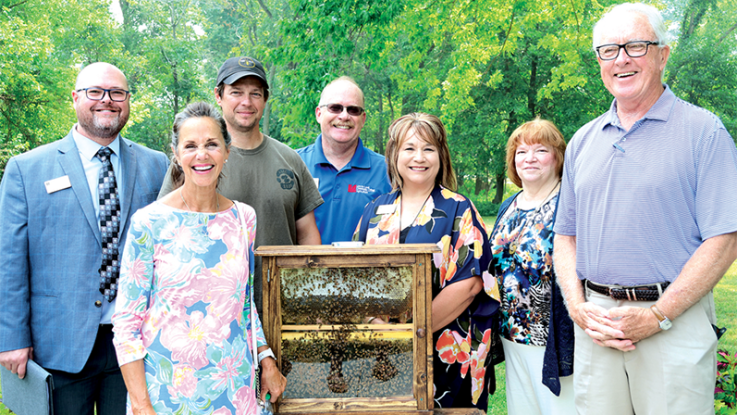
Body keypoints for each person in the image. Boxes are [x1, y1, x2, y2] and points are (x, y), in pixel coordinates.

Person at [553, 3, 737, 414]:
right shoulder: (583, 140)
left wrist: (657, 315)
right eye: (609, 49)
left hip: (673, 319)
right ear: (599, 60)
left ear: (662, 54)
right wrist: (577, 307)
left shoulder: (704, 132)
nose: (621, 59)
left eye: (636, 46)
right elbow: (565, 236)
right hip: (596, 323)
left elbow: (724, 238)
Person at [0, 62, 168, 415]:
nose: (107, 100)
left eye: (117, 93)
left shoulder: (156, 165)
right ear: (75, 98)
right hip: (59, 344)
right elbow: (9, 260)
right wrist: (12, 338)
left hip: (135, 343)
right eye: (96, 92)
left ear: (128, 101)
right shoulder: (27, 169)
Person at [112, 102, 286, 414]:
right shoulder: (148, 223)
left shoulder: (243, 217)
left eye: (211, 144)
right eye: (190, 146)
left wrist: (266, 359)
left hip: (233, 390)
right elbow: (126, 324)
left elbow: (244, 304)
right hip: (164, 394)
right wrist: (141, 405)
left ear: (227, 151)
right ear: (176, 154)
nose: (201, 155)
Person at [353, 112, 500, 411]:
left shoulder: (459, 209)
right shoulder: (375, 210)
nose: (418, 157)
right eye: (409, 148)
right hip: (382, 350)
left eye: (428, 149)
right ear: (394, 155)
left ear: (441, 155)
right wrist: (379, 328)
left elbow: (469, 285)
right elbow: (354, 276)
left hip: (448, 352)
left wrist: (408, 332)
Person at [158, 56, 323, 314]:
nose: (246, 102)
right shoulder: (196, 162)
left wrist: (312, 292)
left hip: (282, 308)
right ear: (218, 95)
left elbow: (307, 235)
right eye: (236, 92)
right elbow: (164, 234)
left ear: (265, 99)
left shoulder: (290, 160)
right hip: (211, 312)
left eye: (255, 93)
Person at [488, 118, 574, 414]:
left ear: (557, 157)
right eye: (521, 151)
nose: (530, 158)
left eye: (541, 150)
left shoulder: (569, 203)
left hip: (555, 338)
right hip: (511, 335)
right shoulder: (509, 205)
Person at [297, 76, 391, 244]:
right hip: (304, 270)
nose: (344, 116)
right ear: (319, 113)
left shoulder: (387, 171)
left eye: (353, 110)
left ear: (363, 119)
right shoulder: (293, 165)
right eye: (335, 108)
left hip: (369, 270)